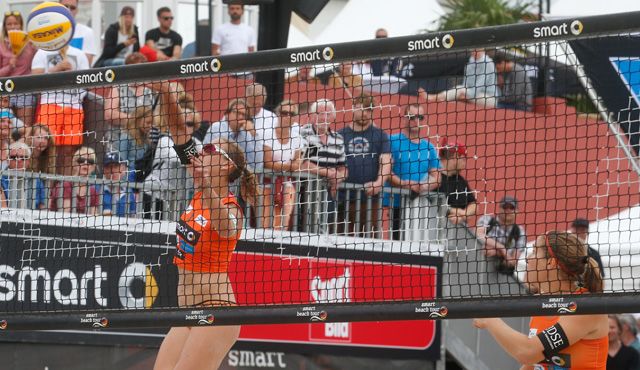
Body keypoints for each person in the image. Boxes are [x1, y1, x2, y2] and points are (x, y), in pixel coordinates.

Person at [152, 81, 259, 370]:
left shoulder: (230, 208)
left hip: (216, 312)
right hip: (187, 311)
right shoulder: (201, 190)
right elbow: (178, 131)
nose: (204, 150)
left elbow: (225, 226)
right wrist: (164, 91)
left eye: (211, 148)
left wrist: (205, 183)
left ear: (226, 166)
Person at [474, 231, 608, 369]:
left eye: (534, 251)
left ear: (550, 262)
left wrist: (490, 320)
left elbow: (528, 352)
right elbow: (533, 364)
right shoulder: (542, 304)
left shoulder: (585, 308)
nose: (528, 259)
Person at [384, 103, 440, 240]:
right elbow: (386, 171)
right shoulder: (391, 141)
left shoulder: (429, 147)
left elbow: (437, 177)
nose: (416, 121)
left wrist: (424, 186)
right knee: (396, 246)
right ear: (404, 118)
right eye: (412, 117)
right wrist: (405, 184)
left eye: (420, 117)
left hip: (421, 208)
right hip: (396, 205)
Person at [31, 44, 90, 176]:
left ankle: (64, 191)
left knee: (69, 151)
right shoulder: (42, 52)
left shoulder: (79, 54)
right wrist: (56, 69)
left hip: (74, 107)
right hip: (49, 105)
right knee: (47, 149)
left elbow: (88, 80)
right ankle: (47, 188)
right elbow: (34, 80)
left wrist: (71, 76)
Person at [337, 94, 391, 237]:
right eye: (362, 109)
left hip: (370, 200)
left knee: (369, 243)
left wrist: (379, 183)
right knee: (340, 242)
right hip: (343, 199)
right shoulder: (340, 135)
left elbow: (386, 160)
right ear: (353, 108)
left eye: (368, 110)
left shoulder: (380, 135)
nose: (365, 113)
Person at [262, 100, 306, 230]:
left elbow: (298, 163)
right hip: (266, 182)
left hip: (287, 183)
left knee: (283, 222)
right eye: (284, 113)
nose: (287, 116)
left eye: (291, 114)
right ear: (277, 114)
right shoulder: (268, 134)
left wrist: (285, 166)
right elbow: (268, 163)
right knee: (266, 222)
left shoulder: (297, 137)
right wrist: (288, 166)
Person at [420, 49, 501, 108]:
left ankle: (434, 97)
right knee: (459, 89)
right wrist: (464, 94)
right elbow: (465, 84)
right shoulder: (469, 65)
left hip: (489, 99)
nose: (475, 51)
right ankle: (441, 99)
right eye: (473, 49)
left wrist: (467, 94)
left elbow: (480, 86)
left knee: (460, 91)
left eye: (478, 49)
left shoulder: (488, 64)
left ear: (483, 50)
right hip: (473, 96)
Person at [0, 10, 37, 126]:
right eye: (9, 24)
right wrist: (10, 66)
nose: (12, 27)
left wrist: (36, 47)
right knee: (5, 129)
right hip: (5, 91)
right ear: (5, 27)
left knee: (25, 128)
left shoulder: (30, 44)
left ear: (21, 24)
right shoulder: (1, 45)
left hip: (25, 90)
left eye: (16, 23)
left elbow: (36, 67)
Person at [476, 195, 527, 274]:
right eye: (505, 207)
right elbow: (478, 234)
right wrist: (501, 247)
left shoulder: (520, 232)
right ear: (499, 209)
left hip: (498, 277)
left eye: (512, 208)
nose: (508, 210)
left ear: (517, 211)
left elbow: (512, 262)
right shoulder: (487, 219)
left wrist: (497, 252)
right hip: (476, 265)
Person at [434, 138, 477, 225]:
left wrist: (463, 215)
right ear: (455, 156)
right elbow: (433, 203)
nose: (465, 163)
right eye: (463, 159)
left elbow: (474, 205)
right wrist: (456, 212)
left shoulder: (461, 181)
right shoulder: (434, 179)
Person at [49, 146, 99, 215]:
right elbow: (65, 215)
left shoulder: (93, 191)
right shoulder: (65, 185)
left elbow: (93, 217)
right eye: (81, 160)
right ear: (74, 164)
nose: (86, 163)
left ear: (93, 167)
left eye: (90, 161)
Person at [0, 141, 46, 209]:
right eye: (14, 157)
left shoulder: (37, 182)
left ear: (28, 161)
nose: (18, 160)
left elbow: (42, 207)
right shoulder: (1, 179)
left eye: (23, 158)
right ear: (7, 160)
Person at [59, 0, 98, 65]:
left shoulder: (87, 32)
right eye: (65, 6)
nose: (68, 10)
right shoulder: (47, 30)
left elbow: (86, 65)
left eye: (72, 8)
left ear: (77, 10)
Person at [101, 152, 136, 217]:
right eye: (109, 167)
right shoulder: (97, 190)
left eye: (116, 166)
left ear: (123, 169)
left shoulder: (129, 192)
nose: (113, 170)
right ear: (104, 170)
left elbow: (133, 216)